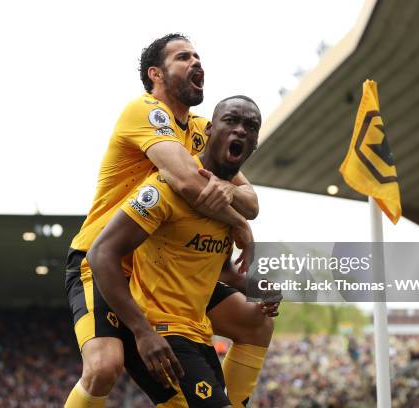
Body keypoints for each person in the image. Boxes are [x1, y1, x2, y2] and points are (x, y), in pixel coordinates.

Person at [64, 34, 275, 408]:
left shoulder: (199, 128)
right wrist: (238, 223)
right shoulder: (145, 111)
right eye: (183, 57)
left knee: (256, 322)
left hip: (158, 260)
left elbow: (251, 200)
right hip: (104, 256)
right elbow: (186, 181)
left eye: (198, 56)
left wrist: (236, 206)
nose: (196, 62)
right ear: (156, 74)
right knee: (103, 367)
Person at [90, 95, 266, 407]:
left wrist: (257, 288)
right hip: (160, 336)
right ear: (209, 130)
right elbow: (101, 253)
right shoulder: (165, 189)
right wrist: (142, 333)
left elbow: (219, 269)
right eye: (231, 121)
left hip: (198, 335)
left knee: (260, 323)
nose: (240, 130)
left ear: (255, 143)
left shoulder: (227, 202)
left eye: (250, 127)